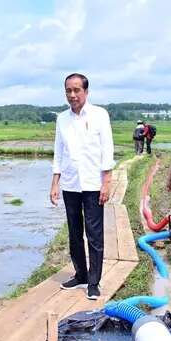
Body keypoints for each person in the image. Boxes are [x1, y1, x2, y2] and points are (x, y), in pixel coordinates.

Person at [50, 73, 115, 300]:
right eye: (68, 90)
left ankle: (94, 281)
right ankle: (80, 275)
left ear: (86, 92)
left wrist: (106, 182)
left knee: (94, 234)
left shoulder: (99, 115)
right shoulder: (61, 119)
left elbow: (107, 150)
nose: (72, 95)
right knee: (74, 233)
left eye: (77, 90)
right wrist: (55, 183)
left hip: (93, 184)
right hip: (70, 184)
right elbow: (59, 152)